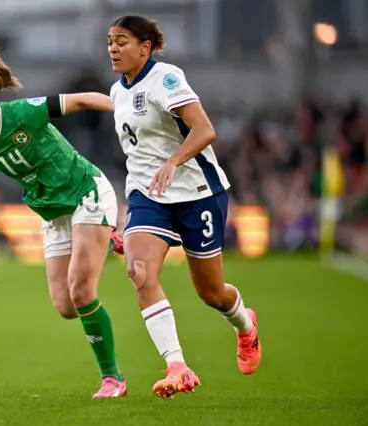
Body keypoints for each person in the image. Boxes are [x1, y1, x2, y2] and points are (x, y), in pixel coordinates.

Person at [0, 43, 126, 398]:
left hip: (85, 192)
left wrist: (126, 108)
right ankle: (103, 237)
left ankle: (112, 379)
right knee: (65, 307)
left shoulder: (22, 114)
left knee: (81, 290)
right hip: (52, 212)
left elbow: (83, 99)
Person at [107, 15, 262, 398]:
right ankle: (177, 365)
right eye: (110, 41)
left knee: (211, 293)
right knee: (139, 271)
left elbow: (204, 129)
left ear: (145, 47)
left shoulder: (166, 77)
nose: (112, 48)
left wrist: (174, 161)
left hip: (198, 193)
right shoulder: (116, 91)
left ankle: (245, 325)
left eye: (122, 41)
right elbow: (139, 152)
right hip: (149, 195)